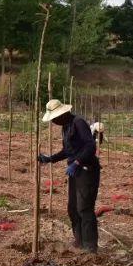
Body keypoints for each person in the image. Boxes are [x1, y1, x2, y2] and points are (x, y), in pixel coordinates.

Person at [37, 98, 101, 253]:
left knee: (84, 208)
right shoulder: (66, 126)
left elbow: (90, 145)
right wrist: (50, 159)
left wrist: (77, 162)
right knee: (73, 208)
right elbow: (67, 150)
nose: (53, 122)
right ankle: (79, 242)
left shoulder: (79, 122)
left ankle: (90, 247)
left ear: (62, 114)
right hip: (76, 171)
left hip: (87, 170)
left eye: (54, 119)